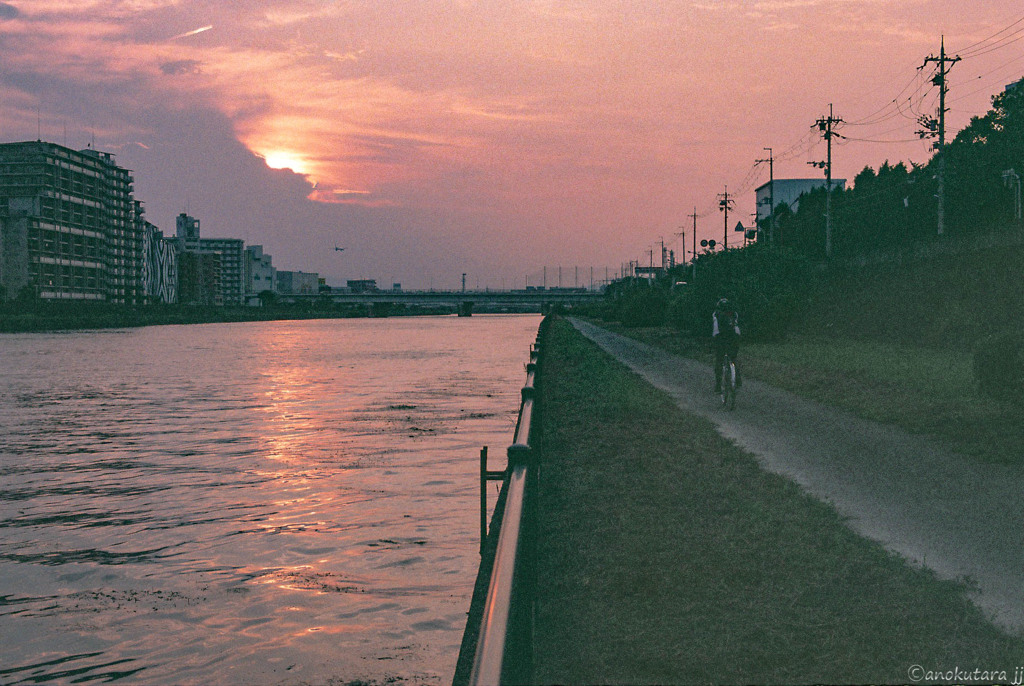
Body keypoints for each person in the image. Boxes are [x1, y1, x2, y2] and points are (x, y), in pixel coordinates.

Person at [712, 298, 741, 393]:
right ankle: (738, 378)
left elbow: (714, 329)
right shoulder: (734, 314)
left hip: (720, 338)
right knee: (734, 357)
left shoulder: (716, 314)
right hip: (733, 337)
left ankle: (718, 385)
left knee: (719, 360)